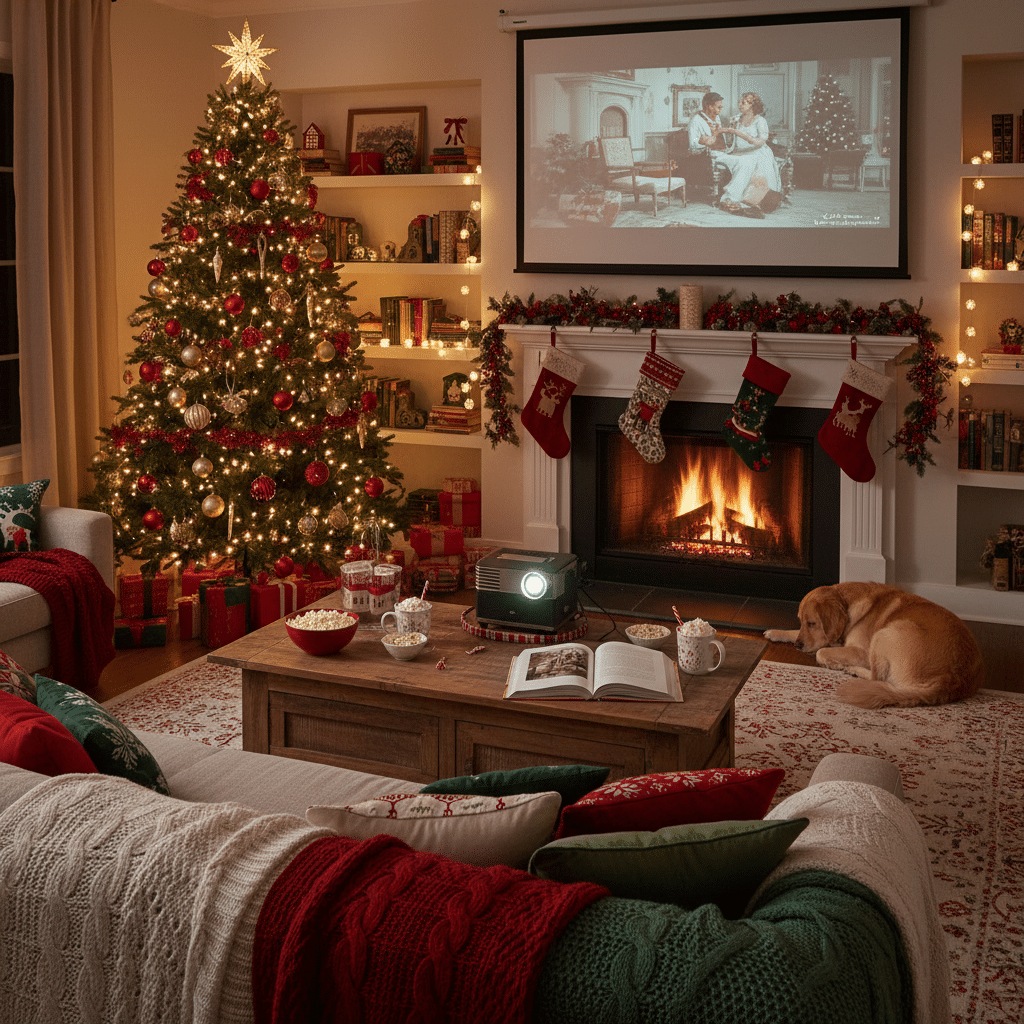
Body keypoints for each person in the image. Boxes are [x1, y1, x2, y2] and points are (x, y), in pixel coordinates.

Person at [716, 92, 783, 218]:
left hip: (759, 152)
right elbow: (732, 142)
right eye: (739, 102)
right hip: (740, 152)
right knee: (738, 161)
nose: (740, 104)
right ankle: (730, 199)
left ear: (753, 105)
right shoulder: (735, 119)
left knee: (754, 165)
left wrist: (735, 131)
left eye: (744, 102)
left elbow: (759, 142)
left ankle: (751, 202)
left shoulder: (760, 120)